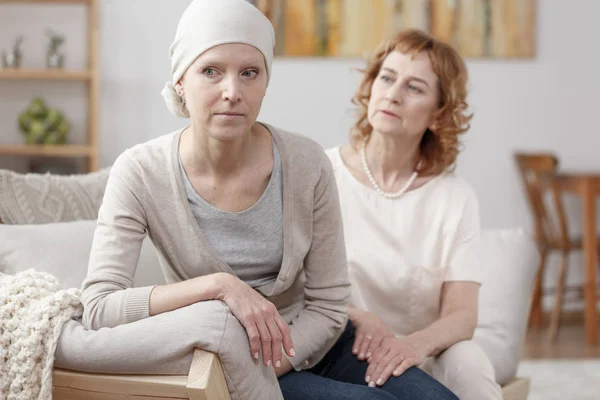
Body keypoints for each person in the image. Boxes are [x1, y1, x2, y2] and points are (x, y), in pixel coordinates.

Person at [72, 2, 458, 400]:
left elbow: (328, 305)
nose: (232, 92)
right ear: (181, 80)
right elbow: (99, 307)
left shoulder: (307, 163)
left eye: (249, 73)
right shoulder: (139, 172)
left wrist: (273, 357)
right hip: (230, 359)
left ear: (265, 82)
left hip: (315, 340)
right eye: (211, 71)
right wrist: (220, 287)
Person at [325, 29, 503, 400]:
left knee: (470, 364)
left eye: (414, 88)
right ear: (370, 86)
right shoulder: (320, 174)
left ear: (439, 113)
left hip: (422, 351)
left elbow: (461, 315)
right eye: (387, 78)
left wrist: (412, 347)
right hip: (338, 346)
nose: (393, 93)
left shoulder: (455, 198)